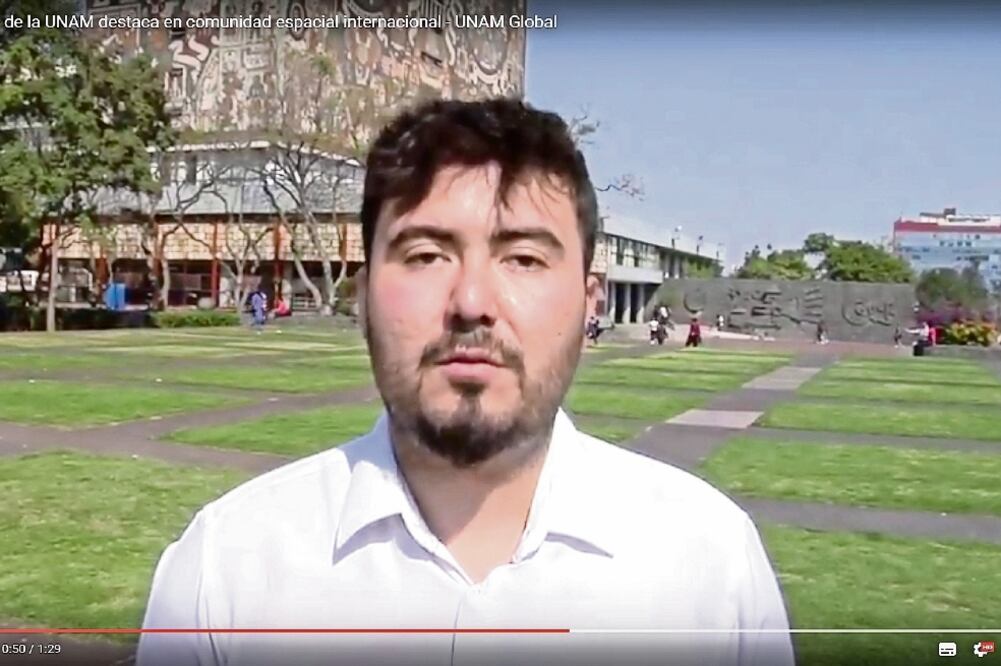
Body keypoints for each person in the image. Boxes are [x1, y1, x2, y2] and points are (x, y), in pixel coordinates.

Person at [137, 99, 793, 666]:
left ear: (589, 303)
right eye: (426, 255)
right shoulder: (226, 567)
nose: (472, 302)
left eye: (523, 258)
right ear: (363, 299)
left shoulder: (711, 565)